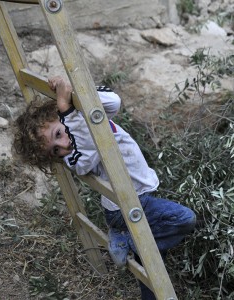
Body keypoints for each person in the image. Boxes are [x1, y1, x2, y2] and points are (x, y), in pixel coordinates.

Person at [13, 76, 196, 300]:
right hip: (124, 206)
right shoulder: (76, 157)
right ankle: (129, 240)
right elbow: (89, 148)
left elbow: (113, 102)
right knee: (183, 219)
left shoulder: (87, 119)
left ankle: (137, 255)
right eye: (55, 151)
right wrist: (65, 110)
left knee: (153, 260)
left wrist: (73, 95)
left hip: (138, 196)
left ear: (60, 118)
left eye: (58, 134)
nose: (63, 146)